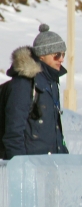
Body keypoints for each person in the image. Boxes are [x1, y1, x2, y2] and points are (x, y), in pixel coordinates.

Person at [1, 24, 69, 160]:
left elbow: (55, 132)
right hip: (32, 169)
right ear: (42, 55)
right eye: (56, 55)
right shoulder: (24, 84)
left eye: (63, 54)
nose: (61, 59)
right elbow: (13, 134)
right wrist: (22, 170)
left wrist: (65, 161)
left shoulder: (52, 82)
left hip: (51, 166)